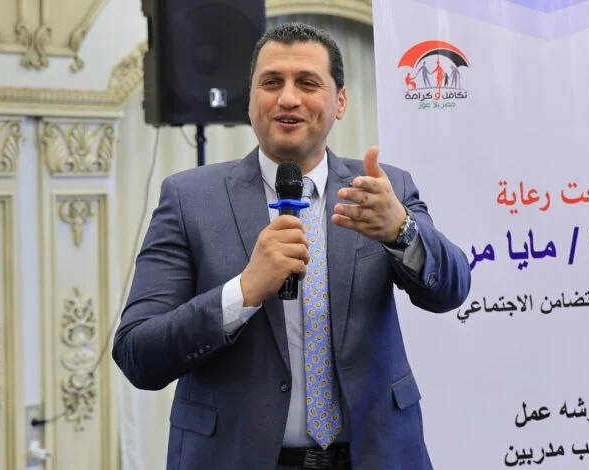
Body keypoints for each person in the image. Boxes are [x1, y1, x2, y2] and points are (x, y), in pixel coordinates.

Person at [113, 22, 471, 470]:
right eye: (271, 82)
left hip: (375, 457)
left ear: (340, 102)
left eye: (307, 83)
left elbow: (451, 290)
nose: (287, 98)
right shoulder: (189, 199)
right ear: (250, 101)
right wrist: (242, 292)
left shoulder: (383, 190)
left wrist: (401, 230)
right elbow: (138, 353)